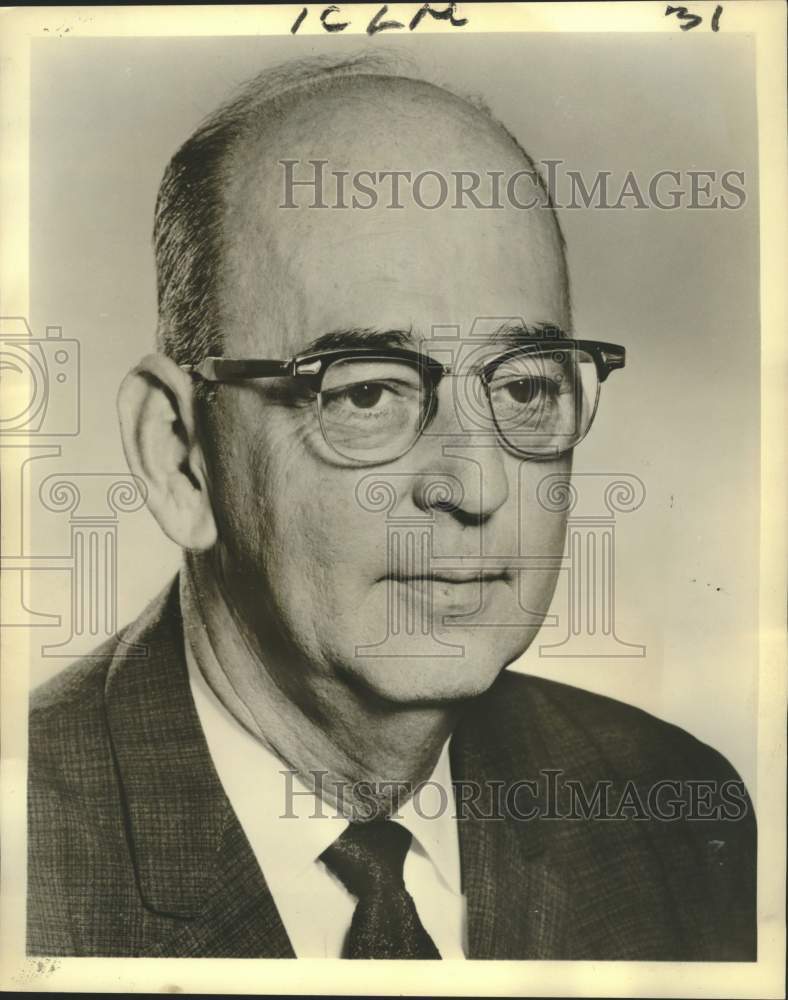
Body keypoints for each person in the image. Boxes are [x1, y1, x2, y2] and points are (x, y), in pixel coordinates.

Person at [27, 55, 756, 960]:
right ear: (180, 456)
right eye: (367, 394)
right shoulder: (28, 856)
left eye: (524, 387)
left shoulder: (674, 811)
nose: (478, 489)